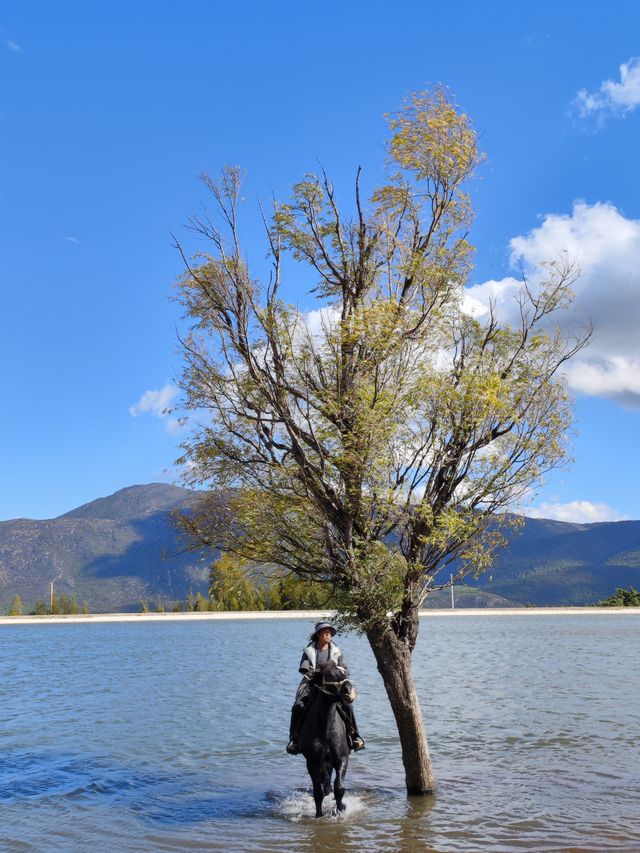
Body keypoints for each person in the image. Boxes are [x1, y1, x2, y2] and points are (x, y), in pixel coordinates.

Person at [286, 620, 365, 755]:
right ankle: (295, 739)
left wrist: (336, 673)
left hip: (333, 684)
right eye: (325, 632)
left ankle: (354, 736)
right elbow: (305, 669)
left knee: (348, 706)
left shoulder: (336, 651)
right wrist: (316, 673)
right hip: (312, 683)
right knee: (298, 706)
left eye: (330, 632)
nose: (329, 635)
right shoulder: (309, 650)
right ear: (318, 634)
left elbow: (344, 669)